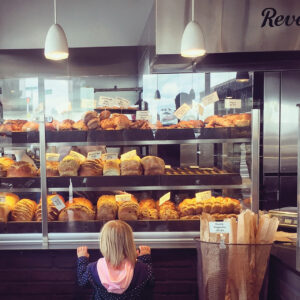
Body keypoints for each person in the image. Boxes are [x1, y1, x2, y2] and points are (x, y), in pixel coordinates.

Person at [77, 220, 154, 299]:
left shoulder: (92, 268)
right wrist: (145, 258)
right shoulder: (142, 268)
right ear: (130, 242)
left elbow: (83, 282)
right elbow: (151, 283)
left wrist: (82, 259)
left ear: (104, 243)